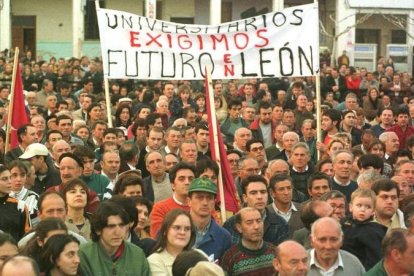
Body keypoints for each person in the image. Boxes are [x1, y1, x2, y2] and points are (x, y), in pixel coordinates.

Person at [79, 201, 150, 275]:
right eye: (111, 226)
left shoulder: (137, 254)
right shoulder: (84, 254)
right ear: (98, 230)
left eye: (121, 225)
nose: (118, 232)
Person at [224, 175, 288, 246]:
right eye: (253, 193)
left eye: (263, 192)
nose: (259, 197)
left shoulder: (280, 224)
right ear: (245, 197)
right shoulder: (231, 224)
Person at [220, 207, 276, 275]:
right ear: (239, 228)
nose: (256, 227)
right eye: (249, 222)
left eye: (259, 221)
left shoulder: (274, 252)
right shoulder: (230, 257)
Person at [341, 189, 387, 270]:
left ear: (373, 211)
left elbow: (375, 260)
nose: (363, 209)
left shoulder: (373, 232)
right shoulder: (344, 223)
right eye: (359, 205)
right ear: (351, 207)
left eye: (368, 207)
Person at [187, 178, 231, 261]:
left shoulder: (224, 236)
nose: (205, 203)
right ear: (189, 201)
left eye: (209, 198)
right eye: (200, 197)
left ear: (214, 202)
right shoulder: (173, 229)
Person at [150, 162, 195, 238]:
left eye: (191, 179)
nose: (187, 182)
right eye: (181, 179)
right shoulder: (160, 208)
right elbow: (158, 236)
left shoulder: (203, 205)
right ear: (173, 185)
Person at [148, 209, 196, 276]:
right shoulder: (155, 260)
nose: (182, 232)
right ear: (165, 231)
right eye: (177, 228)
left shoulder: (199, 254)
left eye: (187, 229)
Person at [0, 165, 30, 241]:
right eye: (4, 179)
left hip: (14, 251)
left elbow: (26, 238)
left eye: (10, 178)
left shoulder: (20, 206)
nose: (9, 182)